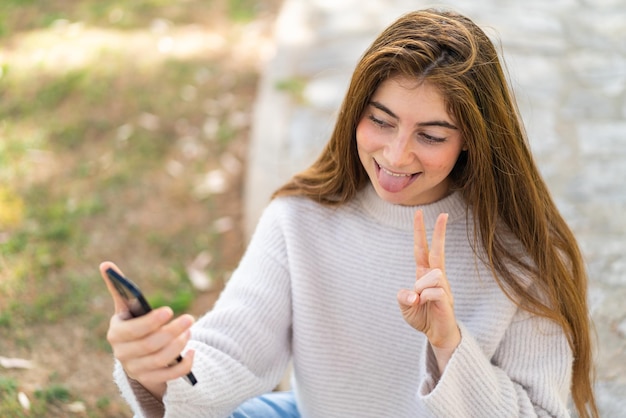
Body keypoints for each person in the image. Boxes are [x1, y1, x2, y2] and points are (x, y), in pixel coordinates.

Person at [100, 8, 599, 418]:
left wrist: (449, 345)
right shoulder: (300, 218)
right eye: (380, 121)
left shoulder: (521, 254)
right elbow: (230, 355)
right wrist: (155, 366)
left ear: (472, 141)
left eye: (430, 135)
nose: (396, 155)